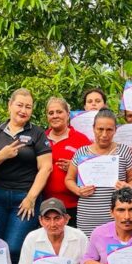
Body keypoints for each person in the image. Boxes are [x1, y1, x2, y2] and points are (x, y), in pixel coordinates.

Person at [0, 88, 52, 264]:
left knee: (14, 247)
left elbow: (46, 167)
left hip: (24, 197)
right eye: (19, 105)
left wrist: (31, 198)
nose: (23, 110)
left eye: (28, 107)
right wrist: (2, 155)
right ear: (10, 106)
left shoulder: (37, 133)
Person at [65, 109, 132, 237]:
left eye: (109, 130)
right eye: (100, 129)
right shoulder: (82, 152)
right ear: (93, 128)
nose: (104, 134)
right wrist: (78, 191)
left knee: (114, 247)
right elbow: (69, 179)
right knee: (88, 248)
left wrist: (128, 187)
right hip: (87, 216)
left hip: (117, 216)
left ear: (115, 130)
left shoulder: (125, 152)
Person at [42, 97, 91, 227]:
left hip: (74, 205)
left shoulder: (81, 139)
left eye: (59, 112)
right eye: (51, 113)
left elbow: (93, 171)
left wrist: (75, 168)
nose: (55, 116)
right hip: (46, 206)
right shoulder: (41, 138)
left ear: (68, 114)